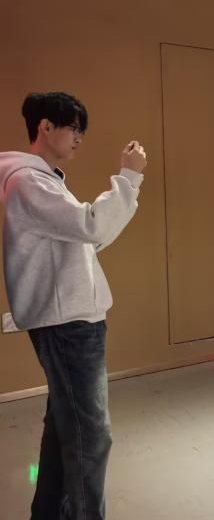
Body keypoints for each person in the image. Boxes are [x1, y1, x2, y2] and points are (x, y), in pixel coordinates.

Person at [0, 92, 147, 519]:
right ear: (46, 127)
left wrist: (125, 190)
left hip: (73, 321)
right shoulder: (30, 181)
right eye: (73, 128)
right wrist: (129, 176)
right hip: (68, 325)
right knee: (90, 438)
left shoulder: (43, 180)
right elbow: (91, 225)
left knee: (67, 430)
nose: (79, 137)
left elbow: (88, 238)